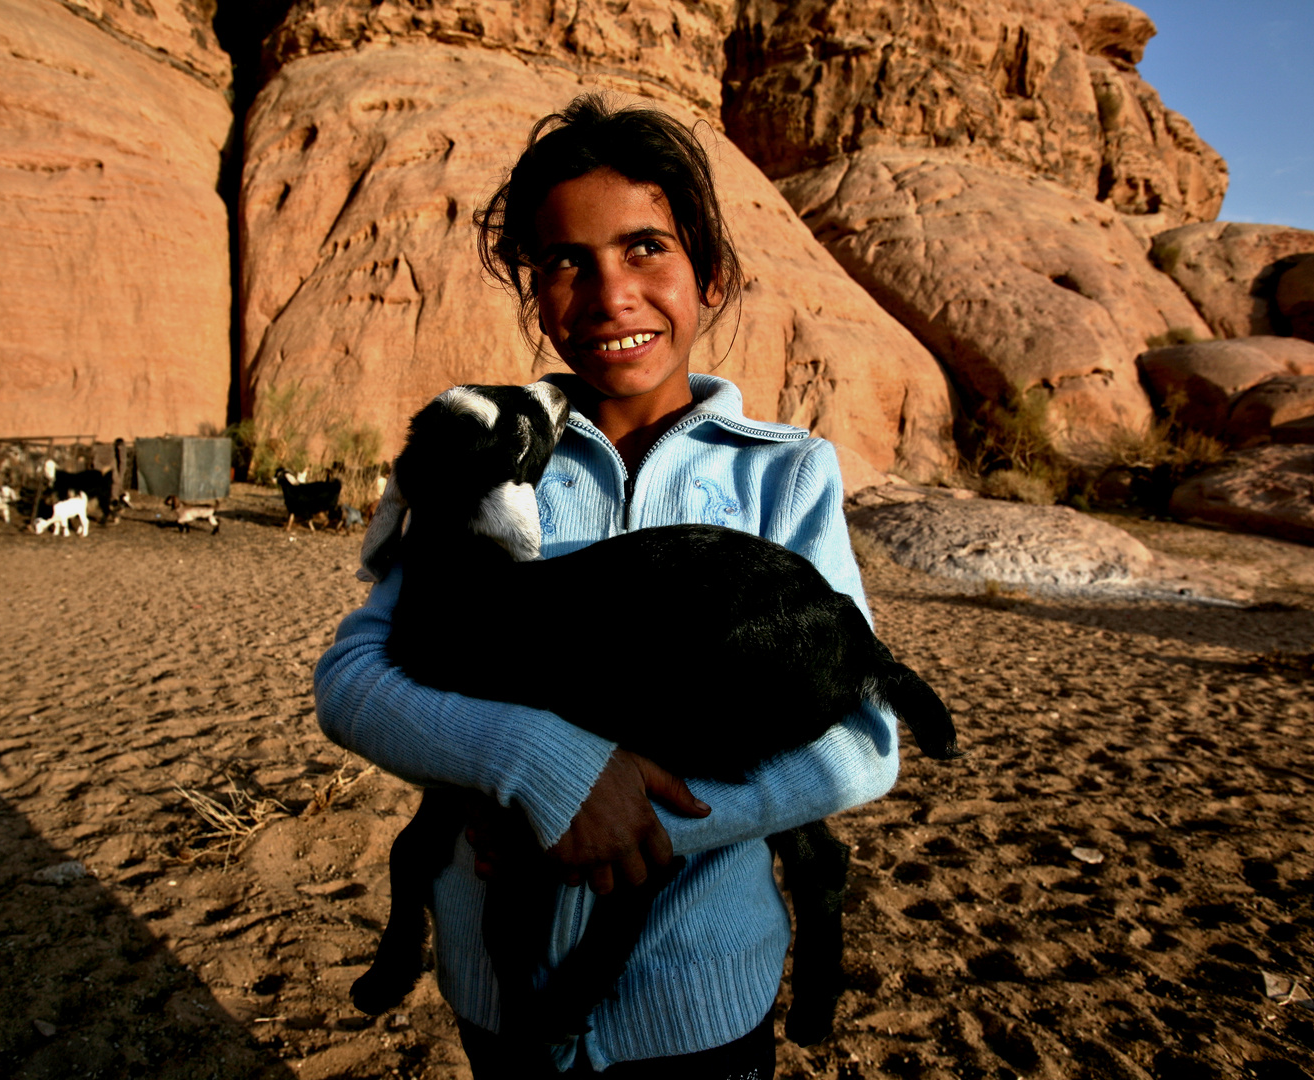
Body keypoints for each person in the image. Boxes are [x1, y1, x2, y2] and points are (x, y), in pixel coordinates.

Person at [314, 94, 900, 1077]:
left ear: (709, 276)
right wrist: (534, 762)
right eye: (564, 263)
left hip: (700, 1009)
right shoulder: (488, 452)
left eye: (645, 251)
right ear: (533, 290)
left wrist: (633, 821)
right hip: (499, 995)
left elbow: (865, 737)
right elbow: (354, 676)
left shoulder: (784, 474)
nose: (609, 294)